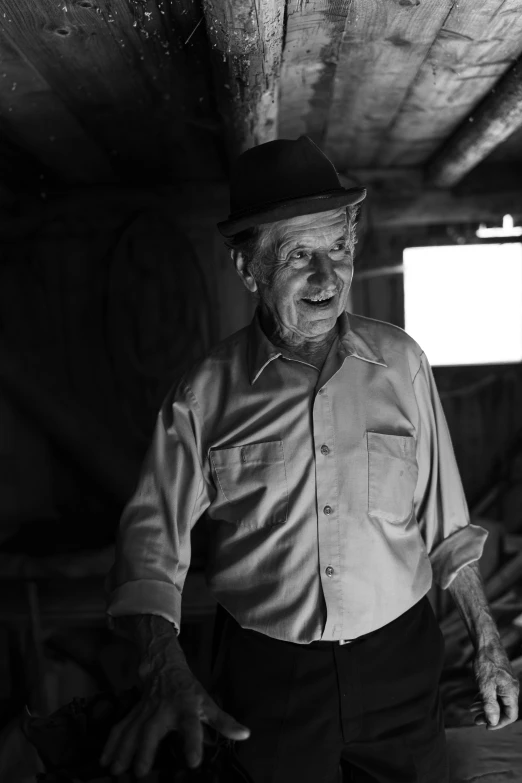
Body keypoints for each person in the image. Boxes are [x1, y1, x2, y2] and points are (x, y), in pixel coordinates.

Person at [100, 136, 519, 783]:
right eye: (300, 255)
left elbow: (448, 529)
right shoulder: (202, 394)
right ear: (249, 268)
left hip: (402, 668)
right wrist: (166, 668)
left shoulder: (402, 362)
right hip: (271, 685)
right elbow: (148, 554)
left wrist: (489, 645)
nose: (328, 278)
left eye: (339, 248)